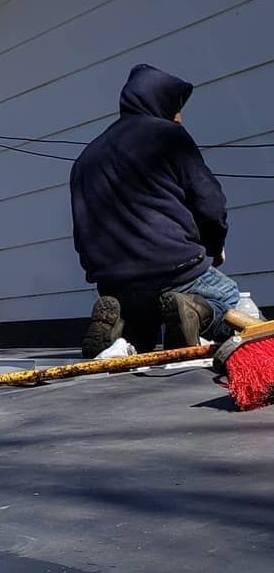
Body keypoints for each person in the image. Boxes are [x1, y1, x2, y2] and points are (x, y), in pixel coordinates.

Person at [70, 63, 240, 357]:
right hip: (177, 270)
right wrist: (214, 245)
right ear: (160, 103)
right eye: (177, 108)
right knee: (229, 299)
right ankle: (197, 313)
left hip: (115, 282)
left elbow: (82, 233)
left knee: (143, 335)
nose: (180, 116)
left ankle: (120, 327)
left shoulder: (85, 159)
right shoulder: (168, 135)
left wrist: (106, 274)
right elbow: (210, 202)